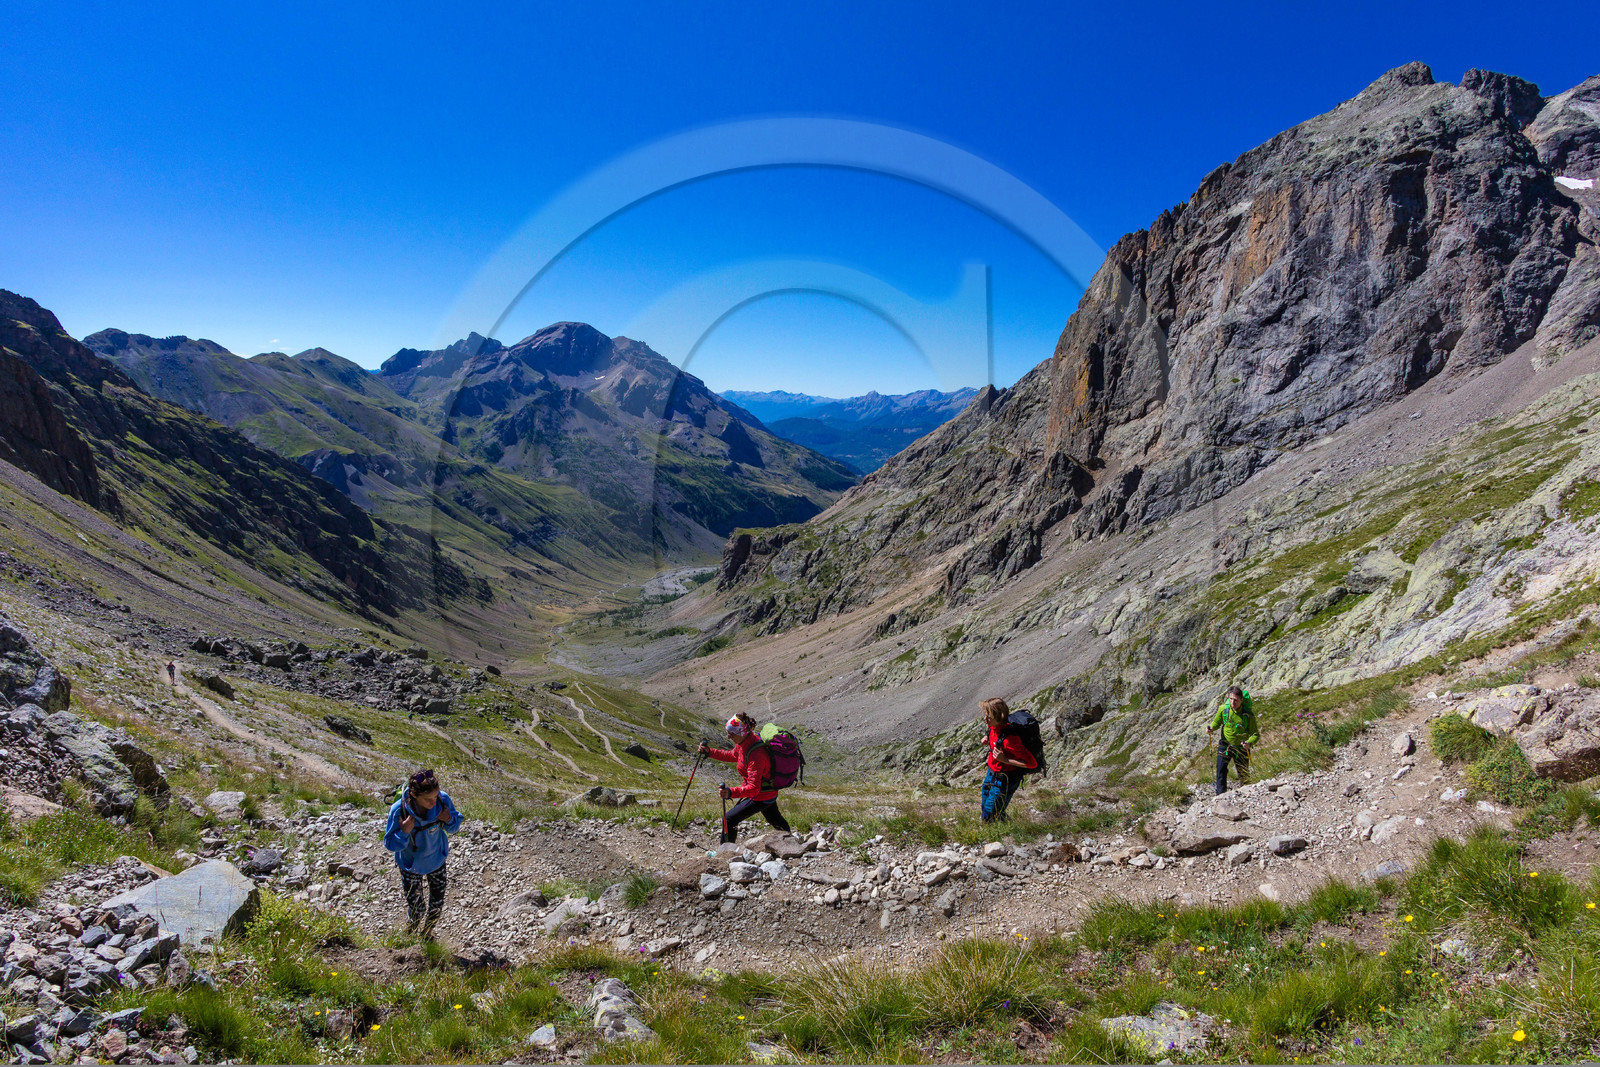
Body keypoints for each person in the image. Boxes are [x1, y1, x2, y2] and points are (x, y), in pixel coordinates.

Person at [383, 768, 463, 937]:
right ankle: (409, 935)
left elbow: (455, 827)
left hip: (437, 861)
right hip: (410, 866)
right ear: (413, 794)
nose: (433, 803)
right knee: (417, 908)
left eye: (435, 797)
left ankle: (427, 934)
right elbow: (390, 844)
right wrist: (404, 832)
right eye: (428, 799)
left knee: (437, 905)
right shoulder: (399, 810)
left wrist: (448, 819)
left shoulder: (442, 800)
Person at [699, 713, 791, 843]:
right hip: (767, 792)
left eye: (731, 734)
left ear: (742, 732)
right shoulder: (744, 743)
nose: (728, 736)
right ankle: (790, 840)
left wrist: (731, 792)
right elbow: (732, 755)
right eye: (727, 732)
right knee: (774, 819)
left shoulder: (756, 754)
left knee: (729, 819)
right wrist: (710, 752)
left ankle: (725, 853)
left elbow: (753, 789)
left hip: (761, 796)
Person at [980, 697, 1036, 822]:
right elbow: (996, 739)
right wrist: (988, 739)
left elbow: (1031, 763)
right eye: (985, 715)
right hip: (991, 774)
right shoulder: (993, 728)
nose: (985, 719)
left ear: (998, 717)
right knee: (986, 809)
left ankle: (999, 835)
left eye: (988, 716)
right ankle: (1006, 826)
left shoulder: (1011, 740)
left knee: (988, 816)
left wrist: (1005, 760)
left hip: (1004, 780)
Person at [1208, 686, 1259, 794]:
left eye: (1235, 700)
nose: (1232, 702)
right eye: (1231, 699)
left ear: (1241, 700)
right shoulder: (1223, 709)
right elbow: (1217, 722)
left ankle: (1246, 795)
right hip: (1225, 745)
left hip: (1241, 747)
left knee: (1243, 773)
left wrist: (1249, 743)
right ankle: (1220, 796)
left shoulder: (1248, 715)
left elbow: (1255, 734)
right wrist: (1211, 728)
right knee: (1221, 770)